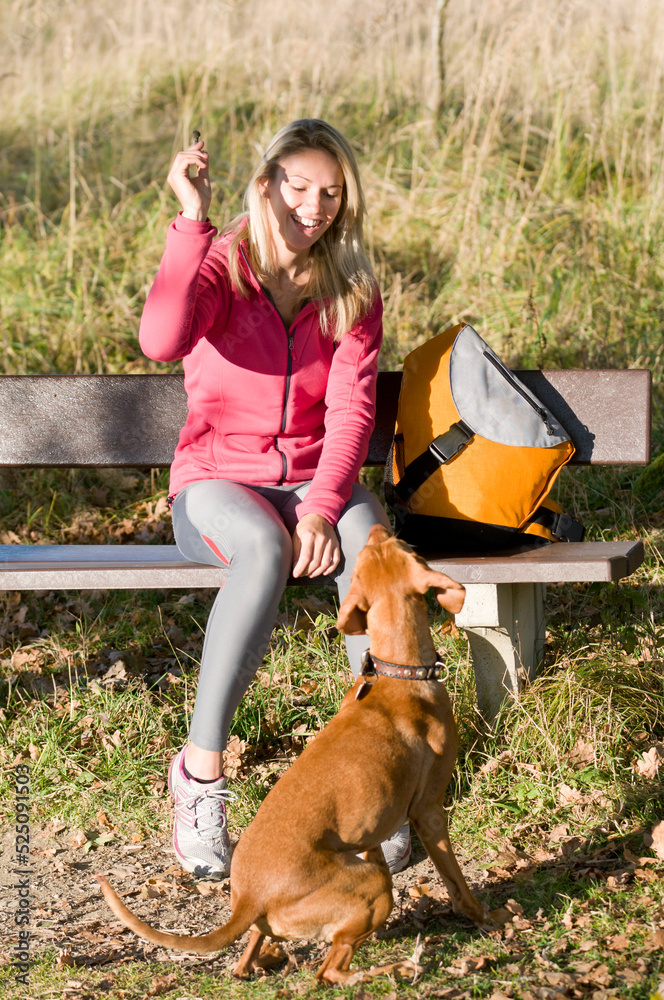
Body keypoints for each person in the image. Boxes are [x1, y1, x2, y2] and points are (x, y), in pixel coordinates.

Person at [139, 119, 410, 879]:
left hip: (311, 485)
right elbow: (161, 338)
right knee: (260, 547)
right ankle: (199, 775)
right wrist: (190, 219)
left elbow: (352, 413)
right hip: (215, 486)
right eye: (298, 187)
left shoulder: (351, 287)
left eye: (330, 193)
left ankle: (383, 781)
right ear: (266, 187)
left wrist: (324, 506)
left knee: (375, 551)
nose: (313, 207)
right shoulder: (221, 267)